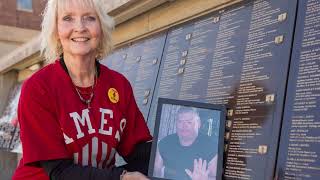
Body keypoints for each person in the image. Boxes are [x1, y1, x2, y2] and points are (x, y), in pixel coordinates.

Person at [12, 0, 152, 179]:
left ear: (101, 28)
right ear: (55, 31)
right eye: (68, 18)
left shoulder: (119, 85)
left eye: (89, 18)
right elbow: (59, 172)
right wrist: (121, 177)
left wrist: (181, 155)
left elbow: (139, 152)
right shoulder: (38, 88)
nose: (80, 27)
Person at [154, 107, 218, 180]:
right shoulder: (164, 143)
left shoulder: (211, 147)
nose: (184, 126)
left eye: (189, 122)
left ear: (198, 123)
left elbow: (215, 177)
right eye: (180, 122)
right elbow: (156, 173)